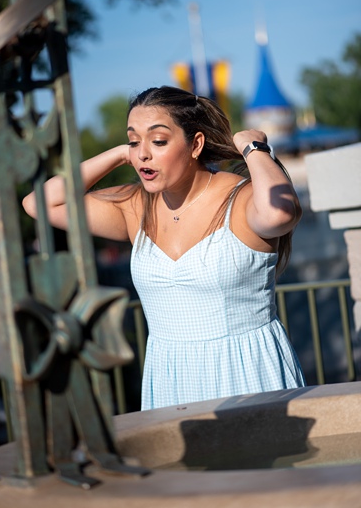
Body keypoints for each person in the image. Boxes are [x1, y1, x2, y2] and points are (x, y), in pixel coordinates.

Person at [22, 85, 304, 411]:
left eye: (157, 141)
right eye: (133, 140)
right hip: (170, 380)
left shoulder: (240, 199)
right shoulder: (135, 206)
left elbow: (280, 212)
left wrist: (252, 147)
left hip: (247, 374)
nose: (142, 153)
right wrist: (118, 154)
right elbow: (39, 204)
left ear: (195, 144)